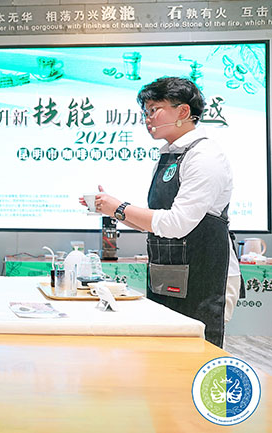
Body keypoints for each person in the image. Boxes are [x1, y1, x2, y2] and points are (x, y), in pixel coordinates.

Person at [82, 77, 243, 348]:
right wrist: (113, 210)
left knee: (196, 354)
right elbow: (157, 221)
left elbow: (176, 223)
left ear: (183, 111)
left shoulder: (205, 155)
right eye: (145, 112)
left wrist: (119, 207)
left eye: (154, 110)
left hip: (206, 272)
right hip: (169, 271)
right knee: (166, 352)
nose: (147, 119)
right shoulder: (169, 155)